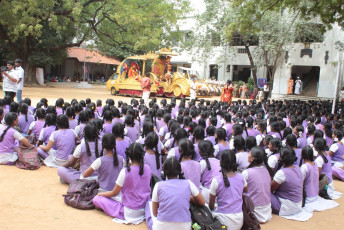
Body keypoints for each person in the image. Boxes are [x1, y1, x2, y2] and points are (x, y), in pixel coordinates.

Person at [92, 142, 151, 224]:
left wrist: (100, 194)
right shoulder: (148, 168)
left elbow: (114, 193)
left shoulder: (125, 171)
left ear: (129, 155)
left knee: (97, 199)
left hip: (129, 211)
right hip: (144, 208)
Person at [209, 150, 247, 229]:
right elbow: (245, 190)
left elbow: (211, 204)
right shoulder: (241, 177)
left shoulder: (216, 180)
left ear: (220, 163)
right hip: (239, 220)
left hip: (223, 222)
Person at [242, 146, 273, 223]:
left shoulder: (246, 173)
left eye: (249, 153)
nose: (247, 155)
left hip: (253, 212)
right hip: (267, 211)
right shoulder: (266, 170)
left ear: (252, 158)